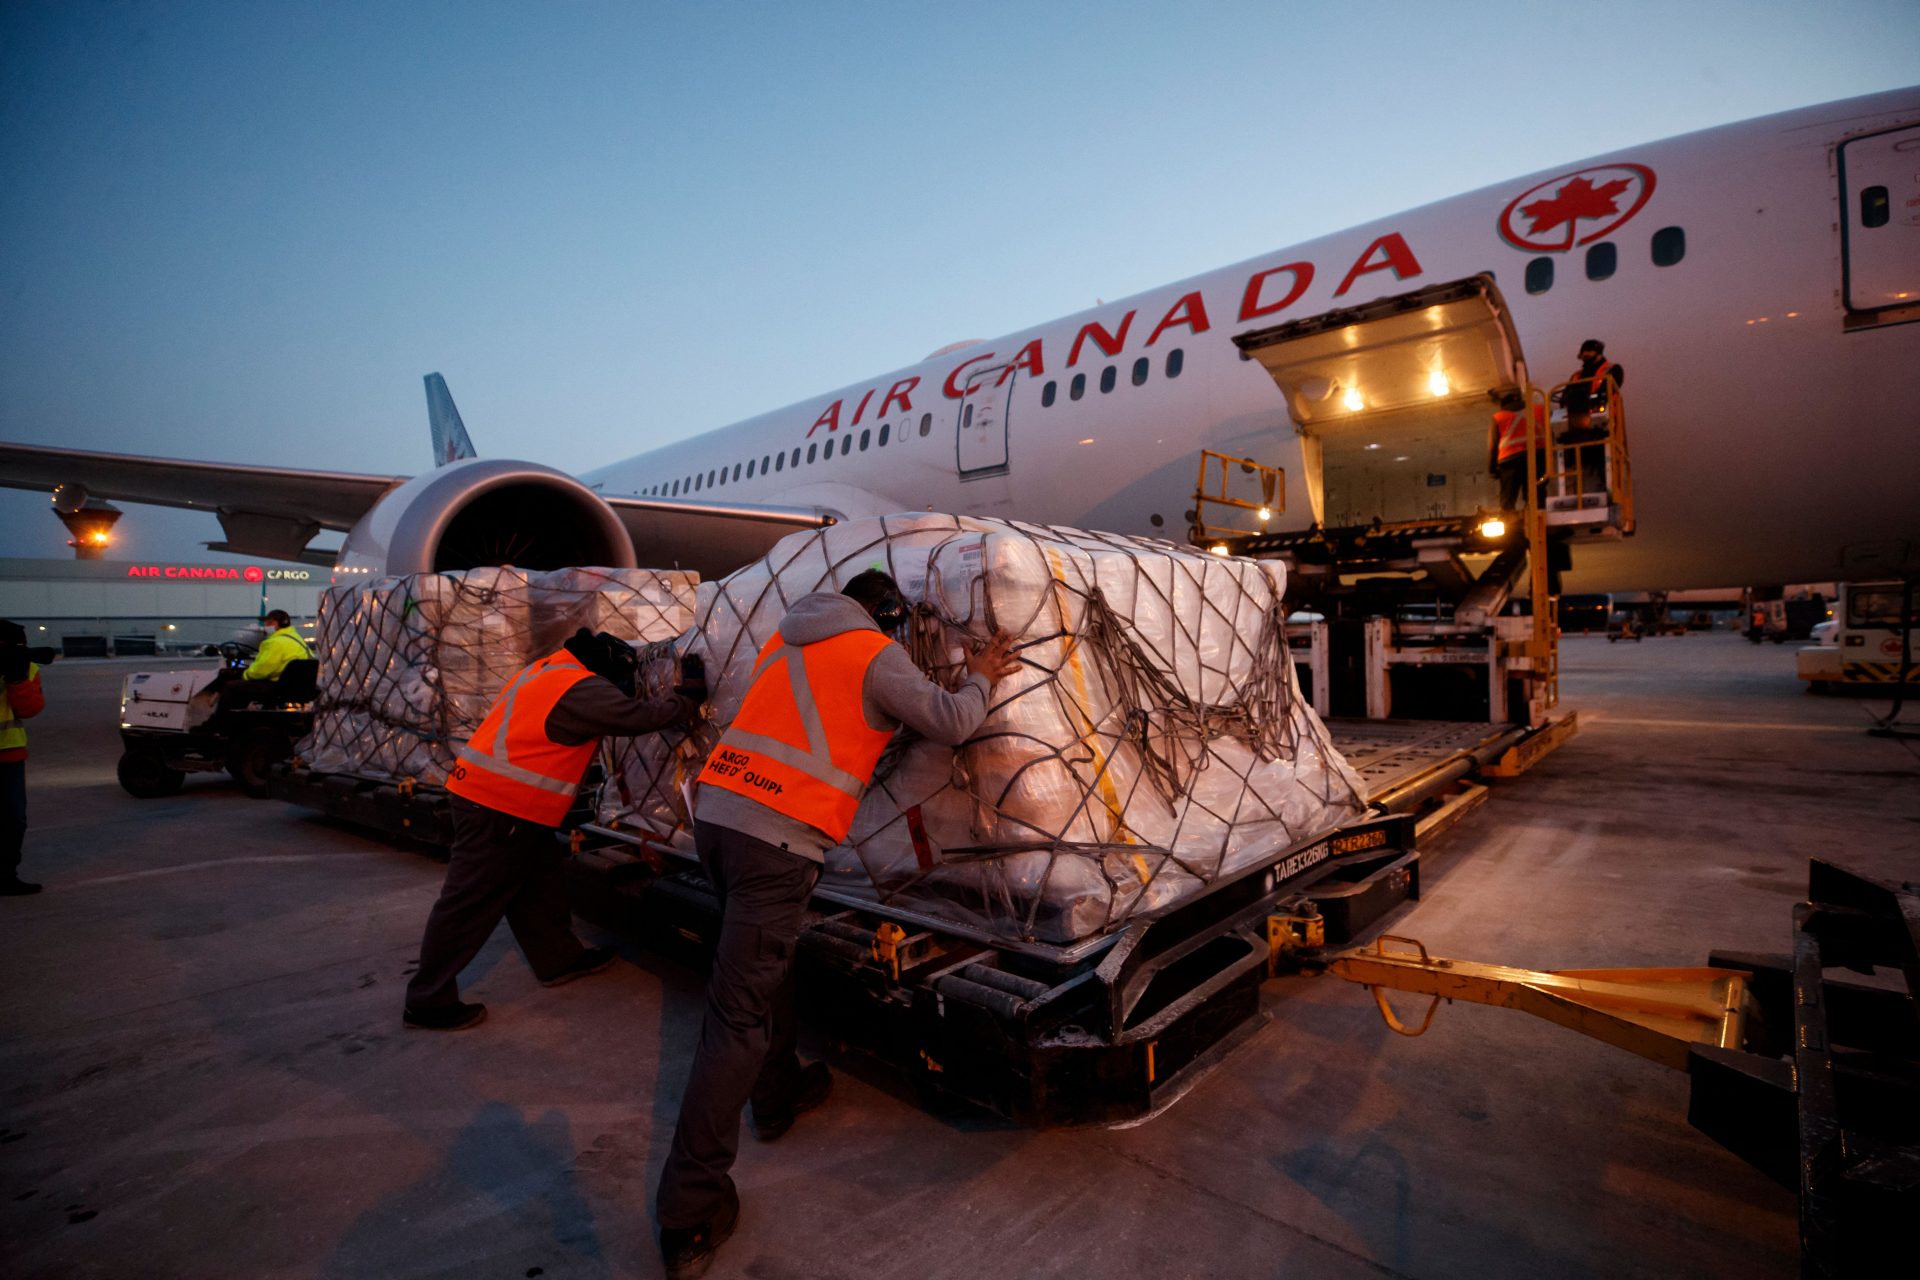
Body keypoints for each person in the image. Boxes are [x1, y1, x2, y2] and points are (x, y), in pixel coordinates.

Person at [655, 570, 1021, 1279]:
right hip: (774, 843)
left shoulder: (783, 644)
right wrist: (978, 675)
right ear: (883, 615)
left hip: (719, 822)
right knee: (735, 1021)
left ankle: (779, 1092)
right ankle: (688, 1210)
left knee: (767, 967)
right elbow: (949, 722)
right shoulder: (870, 652)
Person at [401, 628, 704, 1030]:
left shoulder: (545, 670)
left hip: (505, 804)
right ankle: (427, 1000)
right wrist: (688, 697)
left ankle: (559, 958)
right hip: (499, 807)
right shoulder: (580, 689)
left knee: (540, 885)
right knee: (469, 903)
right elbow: (640, 717)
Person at [1, 620, 49, 896]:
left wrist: (17, 680)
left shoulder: (26, 667)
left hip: (10, 754)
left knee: (14, 820)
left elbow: (30, 709)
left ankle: (6, 875)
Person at [1555, 339, 1624, 501]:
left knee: (1602, 461)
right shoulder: (1576, 376)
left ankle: (1606, 494)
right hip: (1576, 425)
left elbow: (1609, 390)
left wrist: (1595, 402)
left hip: (1602, 425)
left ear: (1597, 352)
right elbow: (1565, 396)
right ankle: (1576, 494)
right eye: (1583, 352)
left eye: (1587, 352)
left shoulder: (1612, 369)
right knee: (1574, 458)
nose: (1585, 355)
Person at [218, 610, 313, 710]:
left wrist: (244, 675)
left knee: (232, 687)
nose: (265, 626)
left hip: (279, 687)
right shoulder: (297, 639)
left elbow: (261, 671)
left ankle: (222, 721)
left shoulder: (274, 642)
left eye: (267, 622)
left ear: (275, 623)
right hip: (297, 687)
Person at [1488, 389, 1548, 512]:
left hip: (1510, 461)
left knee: (1508, 500)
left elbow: (1493, 446)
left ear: (1504, 405)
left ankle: (1510, 525)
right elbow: (1549, 435)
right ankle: (1537, 520)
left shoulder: (1499, 417)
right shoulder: (1539, 410)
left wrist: (1492, 469)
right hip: (1537, 458)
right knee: (1536, 497)